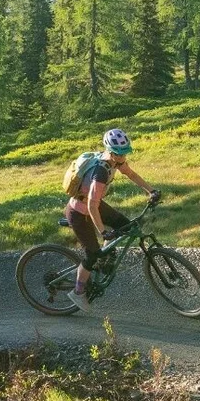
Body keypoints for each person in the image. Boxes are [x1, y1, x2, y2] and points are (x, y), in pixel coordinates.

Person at [68, 129, 158, 312]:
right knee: (91, 255)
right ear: (110, 151)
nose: (123, 156)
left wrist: (151, 190)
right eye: (119, 153)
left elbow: (131, 174)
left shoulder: (115, 162)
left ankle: (105, 258)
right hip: (79, 212)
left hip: (94, 205)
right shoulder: (100, 172)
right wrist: (102, 231)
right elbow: (92, 205)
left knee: (126, 225)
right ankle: (78, 292)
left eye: (125, 152)